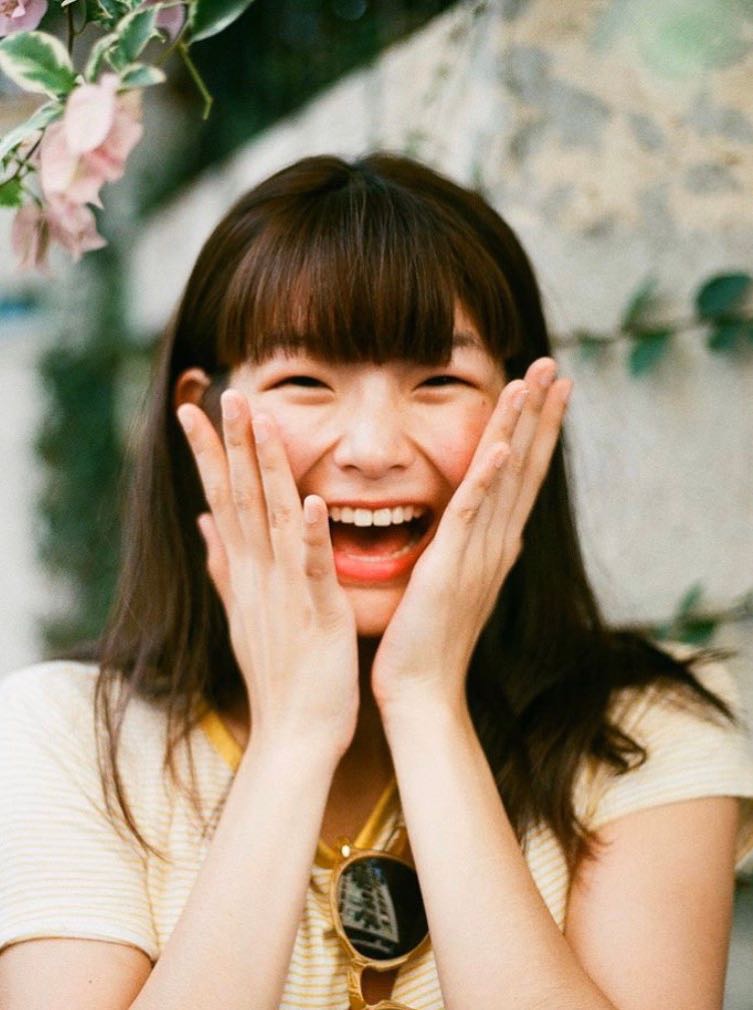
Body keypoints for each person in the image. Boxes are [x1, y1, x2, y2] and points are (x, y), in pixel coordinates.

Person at [1, 153, 752, 1010]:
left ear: (524, 412)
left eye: (439, 381)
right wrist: (292, 736)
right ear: (199, 415)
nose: (371, 449)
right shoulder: (67, 737)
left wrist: (426, 703)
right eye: (303, 382)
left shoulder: (645, 731)